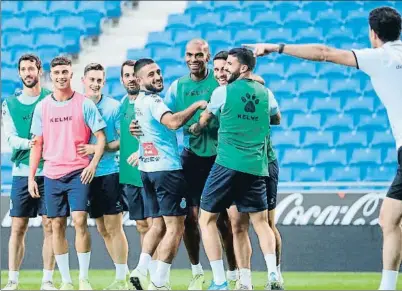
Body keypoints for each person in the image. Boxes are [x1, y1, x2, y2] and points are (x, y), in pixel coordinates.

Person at [244, 6, 402, 290]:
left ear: (373, 34)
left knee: (389, 220)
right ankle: (387, 286)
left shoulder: (381, 58)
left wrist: (275, 47)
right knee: (388, 218)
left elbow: (324, 53)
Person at [189, 48, 282, 290]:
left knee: (206, 219)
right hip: (256, 165)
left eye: (229, 64)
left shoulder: (222, 93)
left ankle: (220, 280)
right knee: (260, 223)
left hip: (228, 164)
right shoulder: (266, 92)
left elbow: (205, 120)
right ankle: (271, 275)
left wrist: (195, 128)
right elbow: (277, 119)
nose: (225, 68)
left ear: (243, 68)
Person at [163, 38, 238, 290]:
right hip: (191, 157)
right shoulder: (178, 87)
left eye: (199, 55)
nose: (193, 59)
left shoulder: (220, 81)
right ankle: (197, 272)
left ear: (208, 57)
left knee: (224, 221)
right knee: (190, 218)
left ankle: (233, 273)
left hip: (221, 157)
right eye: (189, 54)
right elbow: (164, 117)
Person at [28, 56, 106, 290]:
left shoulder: (84, 103)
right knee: (56, 225)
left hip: (78, 173)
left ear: (72, 75)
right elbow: (37, 144)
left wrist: (92, 165)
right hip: (51, 174)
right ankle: (66, 281)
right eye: (57, 72)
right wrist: (32, 177)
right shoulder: (42, 107)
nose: (61, 76)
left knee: (80, 220)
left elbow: (101, 137)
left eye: (65, 72)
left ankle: (83, 279)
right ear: (50, 76)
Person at [128, 58, 207, 290]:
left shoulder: (139, 101)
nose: (158, 77)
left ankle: (140, 269)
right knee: (176, 227)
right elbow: (172, 123)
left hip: (148, 170)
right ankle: (159, 281)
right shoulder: (153, 101)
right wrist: (196, 106)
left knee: (157, 226)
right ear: (140, 80)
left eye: (159, 72)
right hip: (166, 170)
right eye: (151, 74)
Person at [1, 54, 56, 291]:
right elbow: (10, 137)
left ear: (39, 70)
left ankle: (47, 280)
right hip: (22, 173)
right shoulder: (9, 103)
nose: (27, 73)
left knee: (49, 225)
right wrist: (32, 144)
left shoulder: (52, 99)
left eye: (31, 68)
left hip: (50, 171)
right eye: (23, 69)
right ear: (19, 73)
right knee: (17, 227)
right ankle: (12, 279)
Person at [78, 63, 129, 290]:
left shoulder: (113, 106)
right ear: (83, 80)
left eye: (100, 80)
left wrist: (98, 149)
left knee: (114, 226)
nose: (96, 84)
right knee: (101, 228)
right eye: (92, 79)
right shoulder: (76, 105)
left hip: (108, 173)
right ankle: (124, 275)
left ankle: (120, 278)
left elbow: (123, 141)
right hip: (82, 175)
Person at [119, 60, 154, 263]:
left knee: (154, 225)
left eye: (134, 74)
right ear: (122, 79)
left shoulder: (150, 102)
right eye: (127, 75)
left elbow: (161, 135)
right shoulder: (121, 105)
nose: (131, 79)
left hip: (150, 170)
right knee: (141, 225)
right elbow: (118, 138)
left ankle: (159, 276)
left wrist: (142, 151)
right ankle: (146, 271)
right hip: (129, 174)